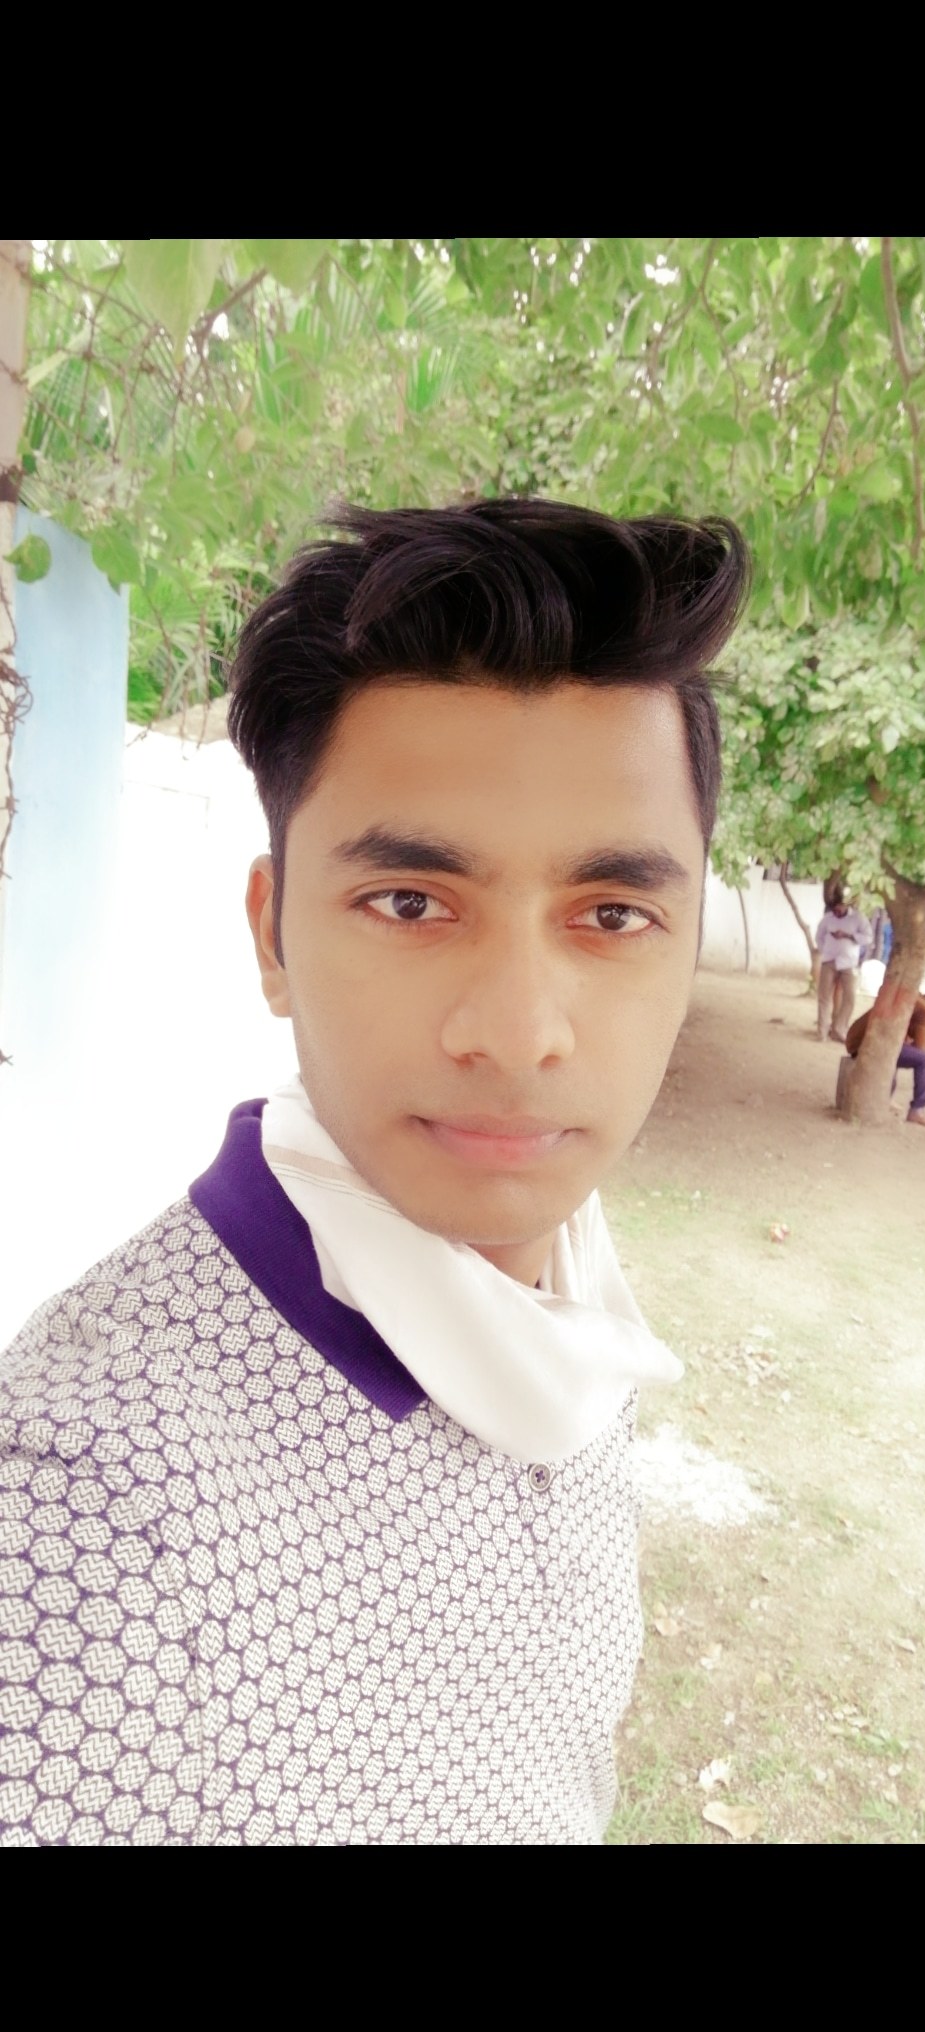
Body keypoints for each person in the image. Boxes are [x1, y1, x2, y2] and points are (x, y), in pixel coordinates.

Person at [0, 499, 750, 1847]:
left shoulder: (575, 1314)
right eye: (411, 903)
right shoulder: (78, 1518)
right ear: (273, 937)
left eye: (613, 913)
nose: (518, 1034)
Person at [845, 988, 925, 1130]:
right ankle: (919, 1109)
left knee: (903, 1050)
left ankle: (886, 1097)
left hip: (856, 1042)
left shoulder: (913, 998)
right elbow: (923, 1047)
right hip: (866, 1046)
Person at [815, 893, 871, 1042]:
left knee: (850, 997)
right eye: (834, 909)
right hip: (829, 961)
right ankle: (822, 1031)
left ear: (845, 905)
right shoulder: (827, 919)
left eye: (839, 908)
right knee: (824, 997)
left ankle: (839, 1029)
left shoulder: (858, 918)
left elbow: (868, 937)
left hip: (849, 962)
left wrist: (849, 936)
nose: (836, 911)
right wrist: (825, 950)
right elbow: (819, 937)